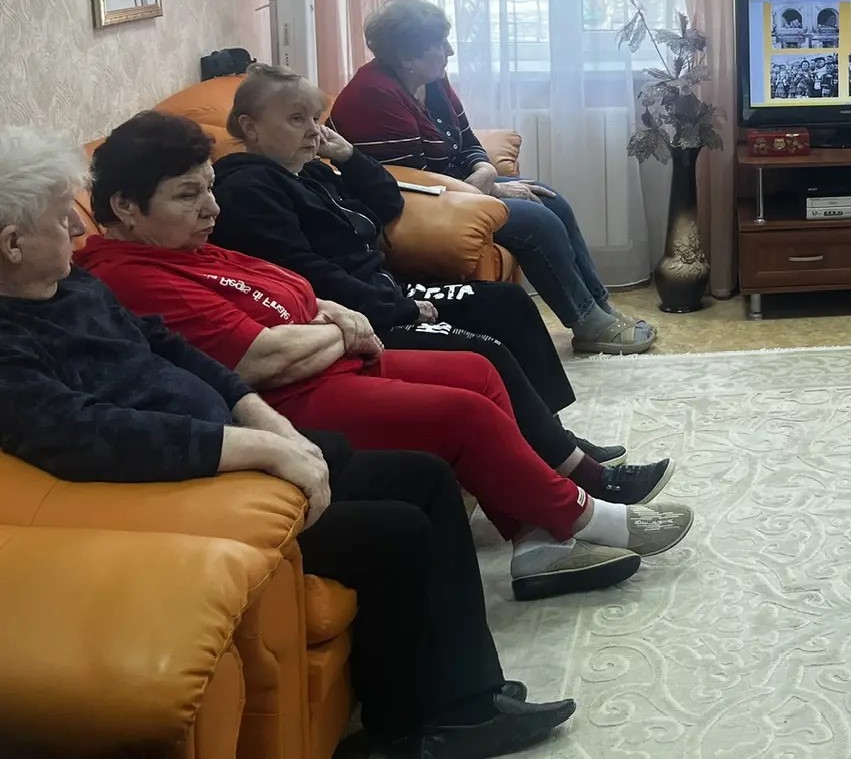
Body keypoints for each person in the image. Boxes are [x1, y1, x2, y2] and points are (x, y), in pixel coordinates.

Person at [0, 128, 579, 759]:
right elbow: (92, 433)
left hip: (238, 447)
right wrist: (258, 449)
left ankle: (465, 699)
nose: (78, 231)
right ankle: (411, 732)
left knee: (425, 478)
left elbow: (170, 347)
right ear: (11, 244)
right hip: (192, 492)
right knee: (396, 530)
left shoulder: (70, 287)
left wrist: (263, 420)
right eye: (60, 219)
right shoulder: (10, 344)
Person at [78, 111, 693, 601]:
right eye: (188, 196)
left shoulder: (183, 246)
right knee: (464, 415)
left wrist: (333, 314)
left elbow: (291, 289)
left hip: (330, 359)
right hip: (289, 400)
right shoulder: (132, 275)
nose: (212, 209)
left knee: (477, 370)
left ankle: (536, 541)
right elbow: (259, 358)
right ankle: (588, 518)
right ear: (126, 207)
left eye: (209, 190)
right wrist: (348, 328)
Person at [212, 64, 667, 505]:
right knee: (485, 350)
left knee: (508, 304)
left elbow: (388, 202)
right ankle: (580, 474)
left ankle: (552, 439)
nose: (313, 131)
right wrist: (400, 307)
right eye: (296, 120)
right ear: (251, 128)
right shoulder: (249, 190)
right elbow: (306, 274)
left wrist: (348, 156)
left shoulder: (309, 171)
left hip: (385, 292)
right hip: (357, 315)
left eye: (316, 118)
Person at [328, 0, 652, 357]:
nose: (450, 51)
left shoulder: (430, 80)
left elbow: (465, 138)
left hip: (455, 189)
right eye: (440, 44)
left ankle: (600, 306)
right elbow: (412, 180)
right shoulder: (374, 95)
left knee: (551, 200)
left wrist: (485, 171)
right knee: (537, 222)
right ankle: (587, 323)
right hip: (408, 204)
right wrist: (492, 190)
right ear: (407, 57)